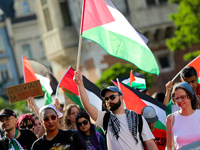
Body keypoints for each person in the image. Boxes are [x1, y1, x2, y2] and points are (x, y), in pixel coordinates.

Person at [74, 71, 158, 150]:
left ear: (121, 98)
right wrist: (80, 84)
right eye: (106, 99)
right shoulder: (105, 118)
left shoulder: (138, 118)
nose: (109, 100)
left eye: (112, 97)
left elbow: (150, 143)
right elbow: (87, 106)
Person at [166, 82, 200, 150]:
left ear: (190, 97)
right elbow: (169, 147)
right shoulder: (171, 119)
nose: (180, 101)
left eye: (182, 97)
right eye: (177, 98)